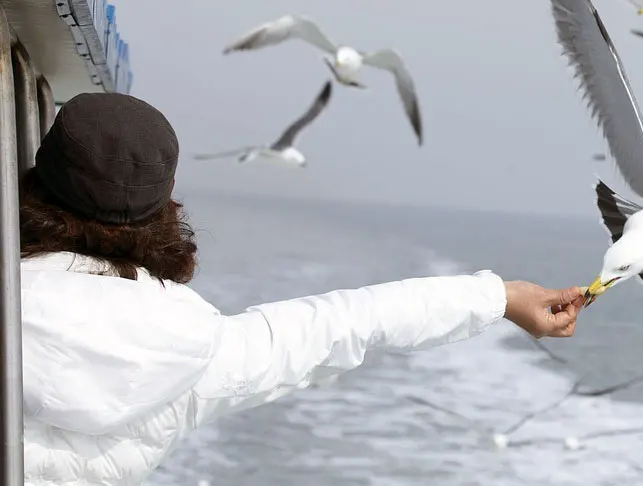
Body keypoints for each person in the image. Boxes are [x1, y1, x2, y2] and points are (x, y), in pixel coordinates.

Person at [17, 92, 586, 486]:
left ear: (33, 182)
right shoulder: (196, 353)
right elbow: (350, 322)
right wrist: (502, 297)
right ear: (163, 211)